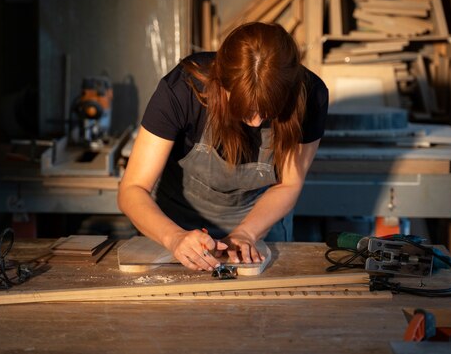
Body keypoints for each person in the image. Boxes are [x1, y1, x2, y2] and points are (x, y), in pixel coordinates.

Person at [118, 22, 328, 271]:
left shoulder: (310, 94)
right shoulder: (183, 89)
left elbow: (289, 184)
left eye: (268, 110)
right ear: (221, 82)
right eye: (246, 109)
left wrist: (247, 233)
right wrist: (173, 237)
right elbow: (132, 189)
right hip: (174, 223)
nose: (256, 121)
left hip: (260, 223)